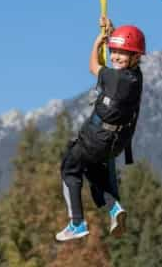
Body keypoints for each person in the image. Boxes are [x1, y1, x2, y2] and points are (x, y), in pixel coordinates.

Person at [56, 17, 145, 242]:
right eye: (113, 50)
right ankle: (114, 208)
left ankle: (77, 223)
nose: (115, 56)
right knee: (92, 170)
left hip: (98, 137)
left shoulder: (114, 78)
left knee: (70, 168)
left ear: (135, 57)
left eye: (121, 53)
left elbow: (93, 66)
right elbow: (121, 51)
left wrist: (97, 43)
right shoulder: (136, 77)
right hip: (117, 142)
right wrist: (110, 32)